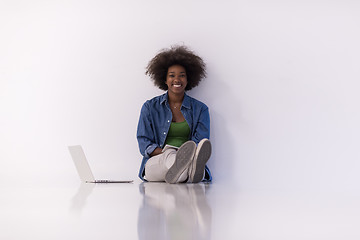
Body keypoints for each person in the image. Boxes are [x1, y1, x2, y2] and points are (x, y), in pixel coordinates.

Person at [137, 45, 212, 183]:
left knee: (180, 173)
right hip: (156, 163)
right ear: (164, 79)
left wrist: (186, 155)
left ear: (188, 79)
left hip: (188, 159)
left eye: (182, 76)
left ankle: (185, 171)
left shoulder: (201, 109)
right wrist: (172, 153)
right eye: (172, 75)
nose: (177, 80)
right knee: (170, 158)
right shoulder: (149, 107)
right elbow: (144, 144)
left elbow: (200, 143)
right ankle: (192, 172)